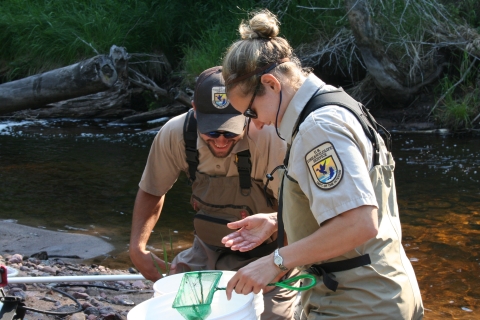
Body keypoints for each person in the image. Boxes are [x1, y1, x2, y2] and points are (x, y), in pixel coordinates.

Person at [220, 9, 424, 319]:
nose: (255, 126)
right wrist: (279, 221)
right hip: (377, 294)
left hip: (360, 304)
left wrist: (274, 261)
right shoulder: (334, 105)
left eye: (249, 112)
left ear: (271, 85)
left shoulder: (319, 128)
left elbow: (359, 222)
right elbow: (352, 201)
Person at [129, 66, 299, 319]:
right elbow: (152, 191)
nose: (220, 140)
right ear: (195, 110)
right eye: (211, 131)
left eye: (230, 131)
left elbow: (297, 211)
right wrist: (137, 248)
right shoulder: (176, 134)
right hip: (206, 250)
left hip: (270, 252)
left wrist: (275, 266)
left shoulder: (271, 140)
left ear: (247, 111)